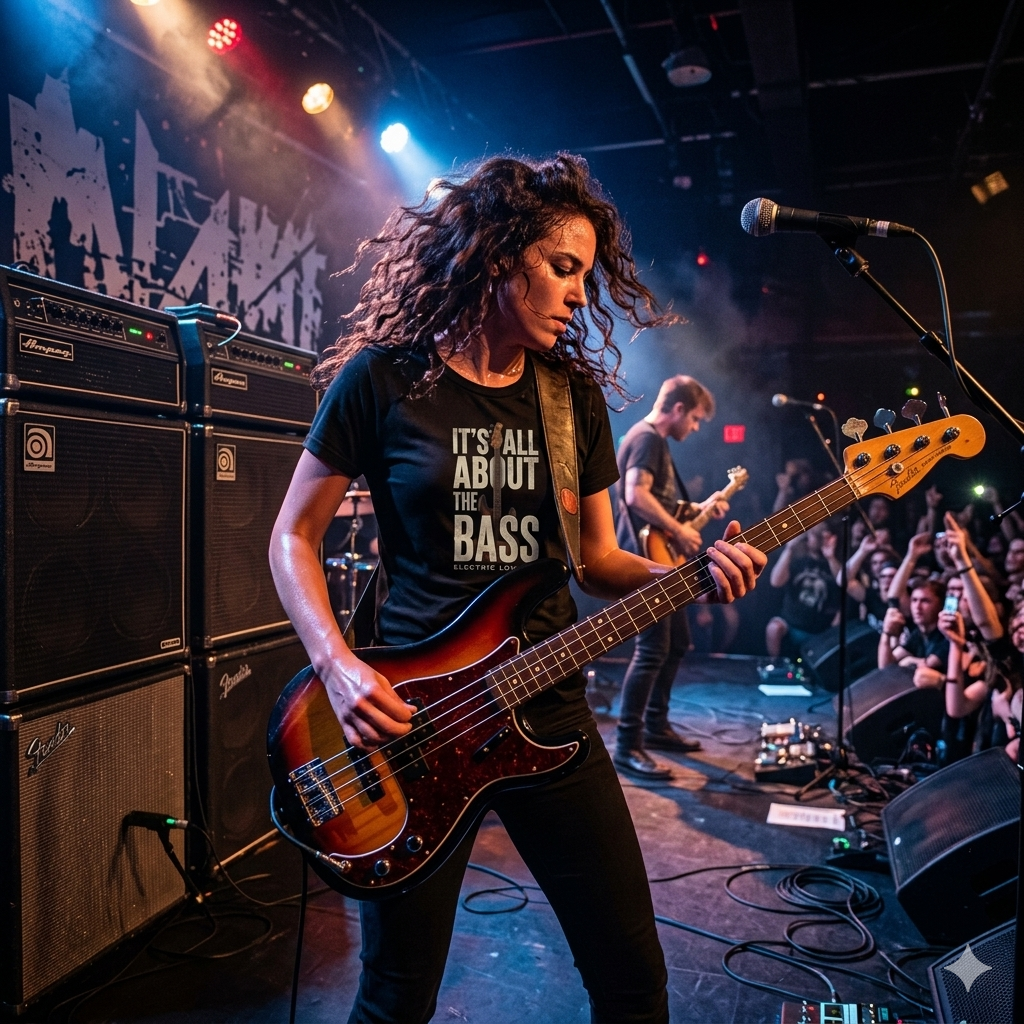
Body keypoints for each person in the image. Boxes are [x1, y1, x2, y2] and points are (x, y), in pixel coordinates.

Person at [269, 155, 766, 1024]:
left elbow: (602, 562)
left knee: (632, 979)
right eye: (562, 268)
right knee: (395, 996)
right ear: (498, 256)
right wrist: (340, 667)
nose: (581, 293)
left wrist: (691, 574)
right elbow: (292, 536)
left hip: (550, 720)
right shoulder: (384, 379)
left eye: (586, 272)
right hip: (412, 728)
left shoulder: (571, 397)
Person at [612, 374, 727, 778]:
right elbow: (635, 495)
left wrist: (695, 510)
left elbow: (657, 502)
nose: (694, 428)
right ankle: (627, 745)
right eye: (694, 419)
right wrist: (680, 530)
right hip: (646, 563)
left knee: (677, 642)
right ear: (677, 409)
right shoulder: (648, 439)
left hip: (658, 560)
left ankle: (656, 727)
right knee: (652, 650)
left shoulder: (650, 442)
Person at [765, 521, 842, 659]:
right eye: (813, 533)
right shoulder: (799, 561)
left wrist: (830, 557)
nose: (816, 537)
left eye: (820, 533)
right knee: (773, 628)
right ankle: (776, 665)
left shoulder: (835, 565)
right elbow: (775, 582)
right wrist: (789, 548)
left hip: (819, 631)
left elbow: (843, 583)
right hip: (790, 625)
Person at [878, 579, 949, 688]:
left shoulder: (947, 634)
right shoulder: (917, 633)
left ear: (941, 605)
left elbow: (928, 664)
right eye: (914, 600)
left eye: (925, 601)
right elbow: (885, 666)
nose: (917, 607)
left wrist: (909, 661)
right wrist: (886, 633)